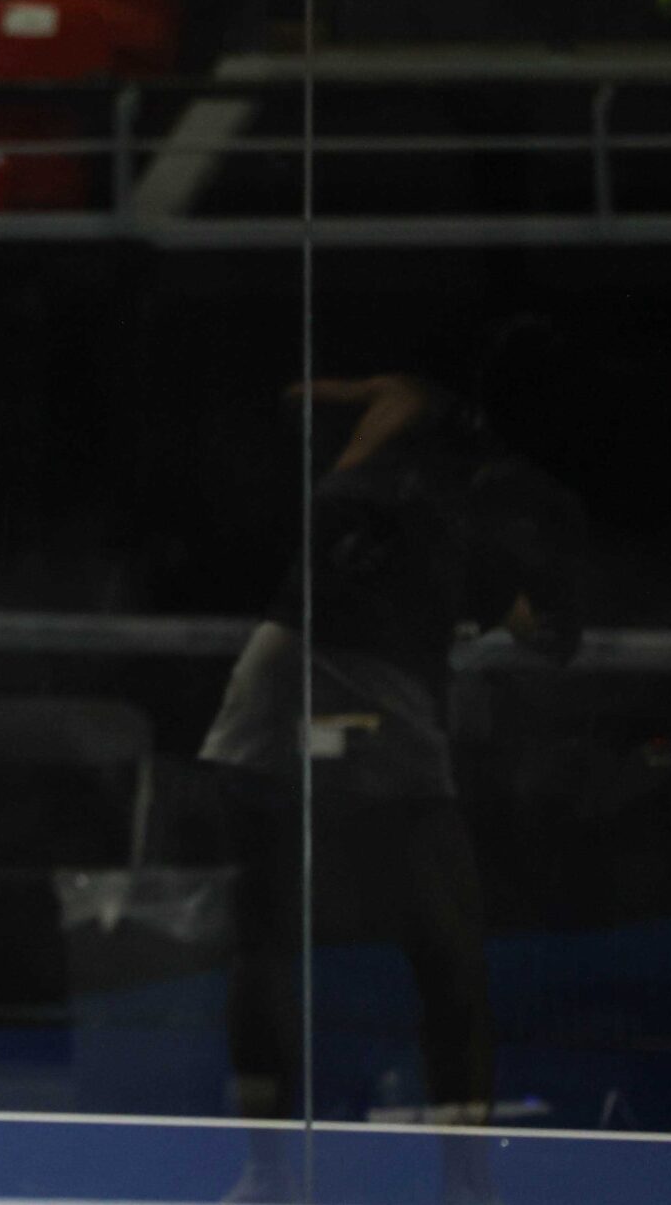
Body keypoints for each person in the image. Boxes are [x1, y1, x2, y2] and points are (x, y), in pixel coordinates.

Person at [203, 357, 585, 1202]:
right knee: (447, 958)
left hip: (273, 694)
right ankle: (458, 1185)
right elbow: (547, 633)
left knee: (272, 945)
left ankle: (276, 1173)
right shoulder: (462, 515)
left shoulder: (390, 455)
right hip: (346, 706)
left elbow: (297, 404)